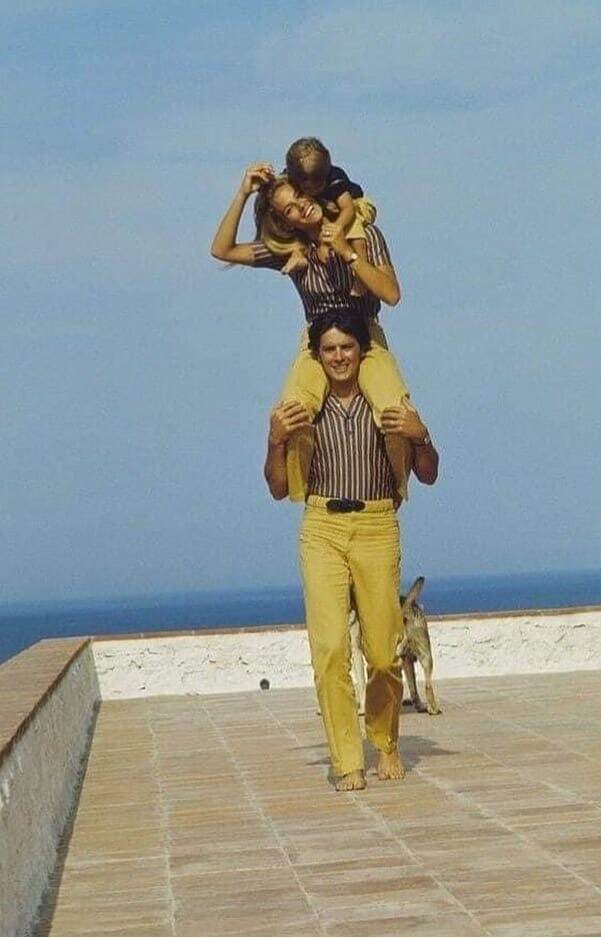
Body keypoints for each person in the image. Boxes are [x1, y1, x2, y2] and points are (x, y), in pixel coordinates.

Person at [264, 310, 439, 791]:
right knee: (330, 649)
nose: (339, 357)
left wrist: (419, 433)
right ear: (316, 357)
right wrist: (275, 441)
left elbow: (428, 473)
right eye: (329, 350)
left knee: (384, 653)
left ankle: (385, 739)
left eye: (346, 348)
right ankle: (347, 759)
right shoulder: (304, 410)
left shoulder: (387, 404)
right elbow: (278, 489)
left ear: (363, 352)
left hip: (378, 524)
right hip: (321, 525)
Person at [211, 164, 411, 504]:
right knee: (293, 410)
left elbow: (391, 294)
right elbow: (222, 250)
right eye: (290, 207)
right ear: (287, 221)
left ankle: (394, 489)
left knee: (394, 407)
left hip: (365, 334)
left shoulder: (363, 234)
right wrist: (243, 192)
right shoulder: (292, 250)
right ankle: (300, 491)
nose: (301, 205)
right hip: (317, 341)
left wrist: (347, 252)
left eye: (301, 196)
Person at [270, 137, 376, 290]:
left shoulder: (335, 179)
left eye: (319, 185)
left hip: (357, 204)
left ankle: (361, 277)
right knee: (302, 228)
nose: (313, 191)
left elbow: (348, 209)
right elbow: (278, 187)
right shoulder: (294, 176)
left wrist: (338, 226)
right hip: (331, 207)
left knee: (354, 229)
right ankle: (298, 254)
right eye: (307, 189)